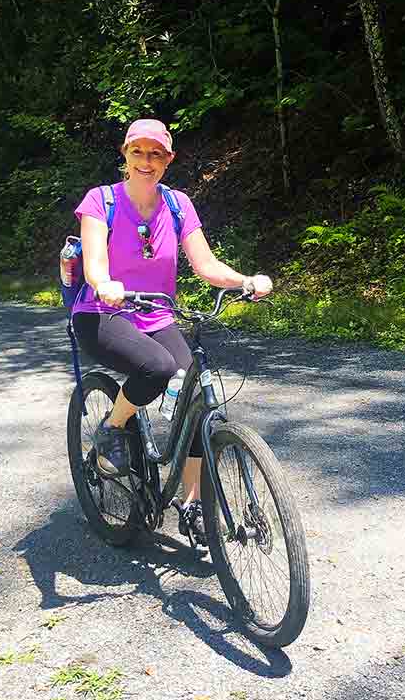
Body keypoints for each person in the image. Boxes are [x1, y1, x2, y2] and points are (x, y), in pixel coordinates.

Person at [71, 117, 272, 544]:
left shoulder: (178, 205)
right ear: (125, 155)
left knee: (195, 397)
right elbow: (95, 263)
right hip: (102, 313)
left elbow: (206, 265)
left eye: (156, 154)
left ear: (168, 160)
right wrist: (104, 283)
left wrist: (245, 281)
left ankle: (192, 502)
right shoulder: (101, 201)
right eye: (138, 152)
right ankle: (113, 427)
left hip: (157, 315)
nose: (146, 161)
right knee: (158, 367)